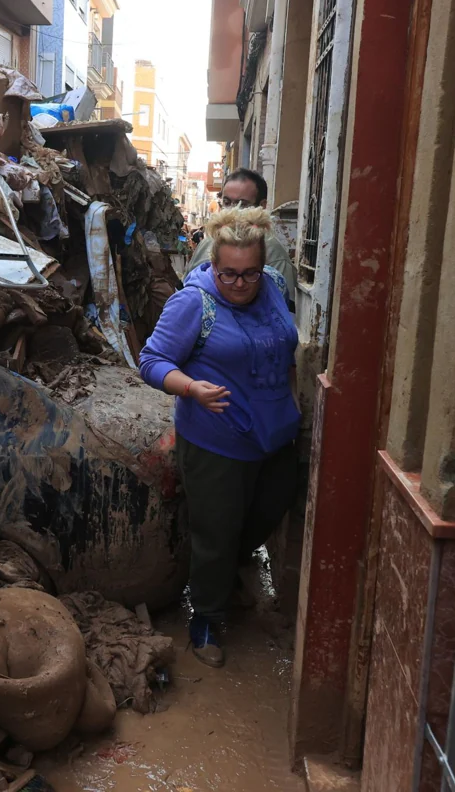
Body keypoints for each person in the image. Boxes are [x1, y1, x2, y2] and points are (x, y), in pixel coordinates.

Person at [138, 207, 300, 668]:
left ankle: (228, 574)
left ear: (263, 265)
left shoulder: (274, 286)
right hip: (217, 441)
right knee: (216, 532)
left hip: (273, 437)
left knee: (272, 504)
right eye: (227, 273)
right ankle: (205, 617)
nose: (239, 284)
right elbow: (151, 361)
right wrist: (190, 387)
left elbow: (285, 347)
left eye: (249, 274)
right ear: (212, 263)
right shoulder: (195, 302)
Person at [191, 169, 296, 302]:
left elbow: (283, 311)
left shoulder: (274, 253)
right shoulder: (206, 244)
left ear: (262, 206)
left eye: (243, 204)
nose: (232, 211)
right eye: (227, 203)